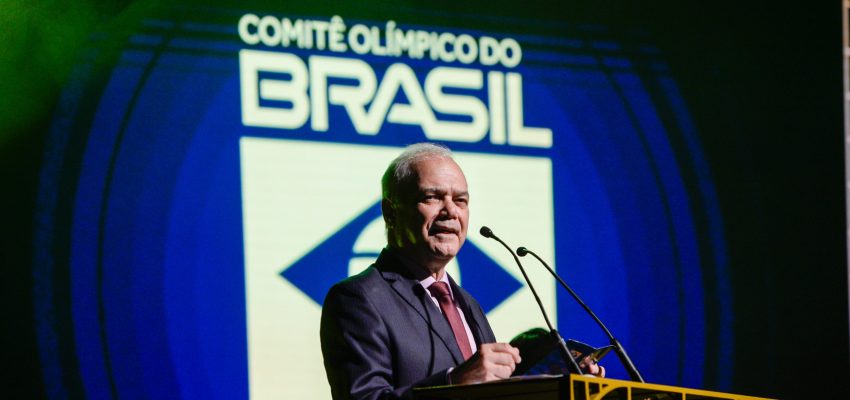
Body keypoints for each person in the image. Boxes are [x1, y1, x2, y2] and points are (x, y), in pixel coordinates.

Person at [320, 143, 600, 400]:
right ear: (391, 212)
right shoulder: (358, 298)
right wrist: (455, 380)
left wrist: (561, 386)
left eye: (461, 200)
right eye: (432, 197)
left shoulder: (467, 304)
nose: (450, 211)